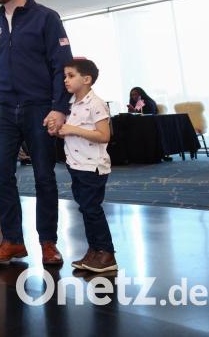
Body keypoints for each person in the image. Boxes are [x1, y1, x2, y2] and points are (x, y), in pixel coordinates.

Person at [0, 0, 73, 266]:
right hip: (4, 110)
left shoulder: (46, 18)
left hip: (39, 108)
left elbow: (62, 65)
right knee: (1, 176)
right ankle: (13, 241)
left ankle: (48, 242)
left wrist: (59, 107)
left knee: (44, 176)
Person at [58, 59, 117, 273]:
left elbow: (104, 135)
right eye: (65, 76)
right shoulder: (72, 103)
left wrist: (72, 129)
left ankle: (107, 254)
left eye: (71, 75)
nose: (66, 80)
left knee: (92, 209)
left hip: (93, 167)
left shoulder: (96, 103)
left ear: (87, 79)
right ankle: (94, 251)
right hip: (76, 165)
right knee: (85, 209)